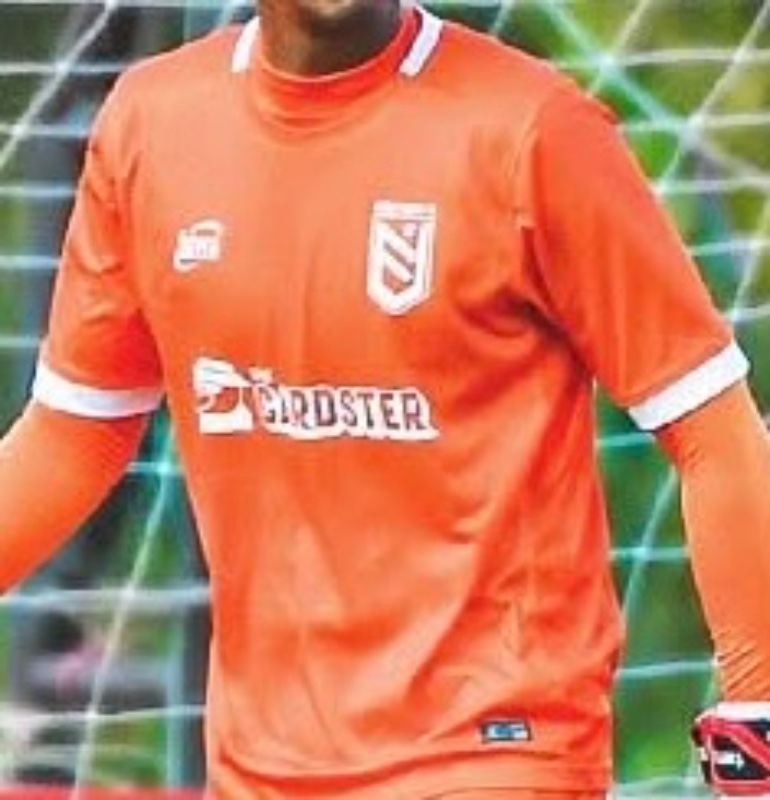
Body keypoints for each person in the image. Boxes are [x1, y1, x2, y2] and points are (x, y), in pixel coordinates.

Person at [1, 1, 769, 797]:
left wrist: (758, 706)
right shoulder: (151, 124)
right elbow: (72, 435)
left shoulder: (536, 129)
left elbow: (713, 428)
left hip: (492, 748)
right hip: (263, 766)